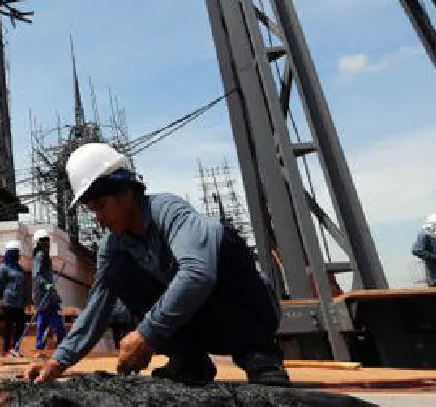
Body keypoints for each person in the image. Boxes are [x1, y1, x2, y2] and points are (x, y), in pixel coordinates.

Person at [26, 143, 290, 387]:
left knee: (221, 241)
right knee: (119, 271)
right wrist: (58, 361)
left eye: (102, 206)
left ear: (125, 191)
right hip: (202, 323)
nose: (99, 219)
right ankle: (189, 360)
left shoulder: (169, 211)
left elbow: (198, 274)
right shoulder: (113, 245)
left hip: (248, 316)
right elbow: (98, 307)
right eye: (93, 211)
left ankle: (259, 355)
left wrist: (146, 334)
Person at [31, 229, 66, 354]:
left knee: (53, 322)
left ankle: (56, 346)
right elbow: (37, 276)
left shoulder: (46, 257)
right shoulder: (39, 256)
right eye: (43, 241)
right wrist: (47, 286)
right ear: (38, 242)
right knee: (45, 323)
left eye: (47, 240)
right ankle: (40, 347)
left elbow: (48, 279)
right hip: (43, 296)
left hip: (49, 296)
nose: (46, 243)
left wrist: (54, 293)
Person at [0, 239, 29, 358]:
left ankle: (15, 348)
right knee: (8, 327)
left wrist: (26, 300)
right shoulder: (3, 267)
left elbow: (23, 284)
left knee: (20, 326)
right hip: (8, 302)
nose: (19, 255)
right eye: (17, 253)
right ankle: (7, 350)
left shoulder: (19, 268)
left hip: (19, 303)